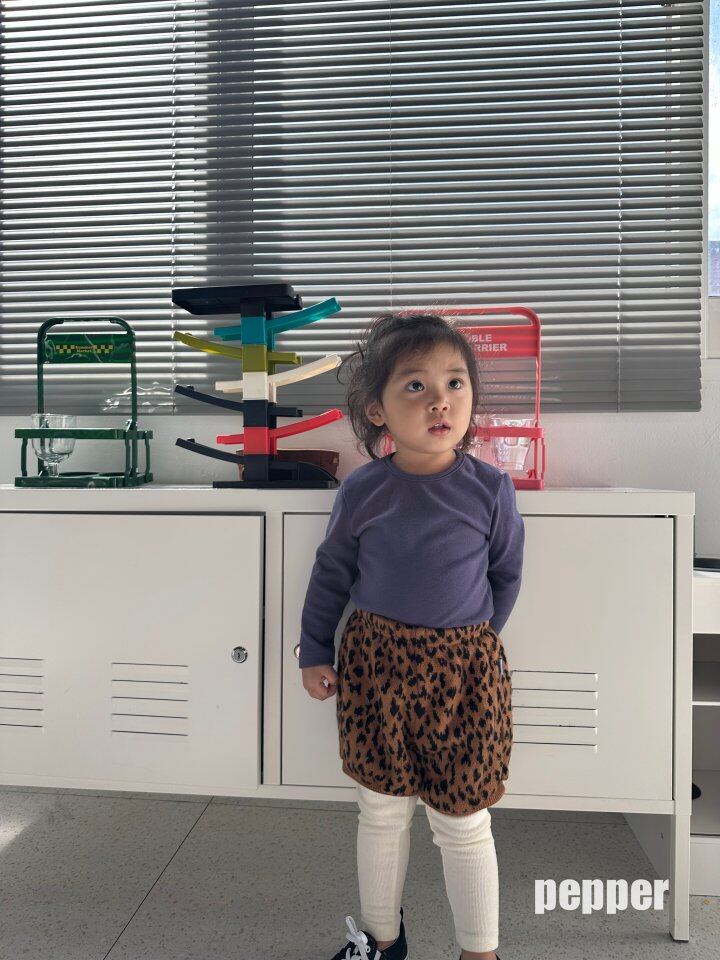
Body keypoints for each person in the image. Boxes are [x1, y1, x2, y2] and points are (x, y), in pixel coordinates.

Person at [298, 311, 525, 960]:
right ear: (378, 410)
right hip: (376, 669)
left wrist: (469, 645)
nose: (440, 401)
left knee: (464, 819)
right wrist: (315, 650)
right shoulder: (364, 490)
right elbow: (331, 574)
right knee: (381, 811)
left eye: (455, 383)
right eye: (416, 386)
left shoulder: (490, 489)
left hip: (466, 677)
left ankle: (479, 951)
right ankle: (380, 941)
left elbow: (505, 575)